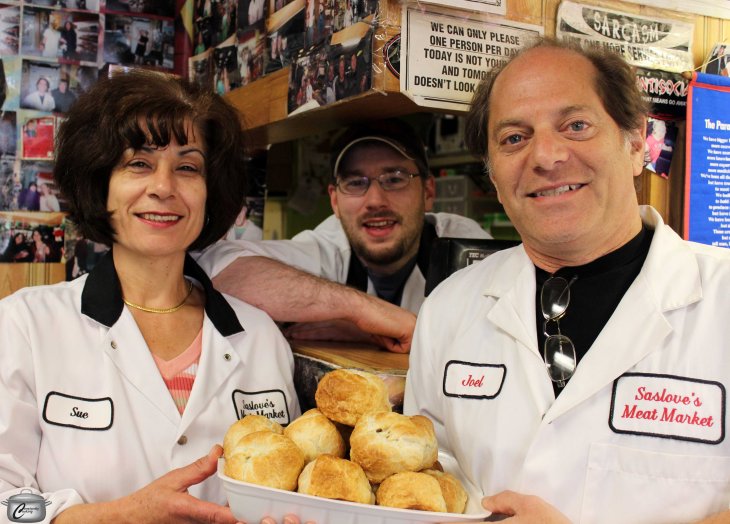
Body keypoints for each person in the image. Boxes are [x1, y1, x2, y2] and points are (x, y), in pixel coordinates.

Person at [403, 37, 730, 523]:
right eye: (514, 137)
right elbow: (422, 482)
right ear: (493, 173)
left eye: (576, 126)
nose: (547, 155)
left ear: (637, 141)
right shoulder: (448, 309)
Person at [0, 69, 300, 523]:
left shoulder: (259, 336)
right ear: (101, 185)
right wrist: (119, 516)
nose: (163, 187)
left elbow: (287, 490)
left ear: (209, 190)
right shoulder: (25, 325)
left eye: (187, 167)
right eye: (138, 163)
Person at [196, 118, 490, 346]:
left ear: (427, 192)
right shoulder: (329, 247)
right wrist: (362, 312)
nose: (375, 200)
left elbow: (500, 337)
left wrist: (403, 329)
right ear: (335, 201)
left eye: (394, 179)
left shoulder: (460, 243)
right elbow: (214, 264)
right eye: (355, 183)